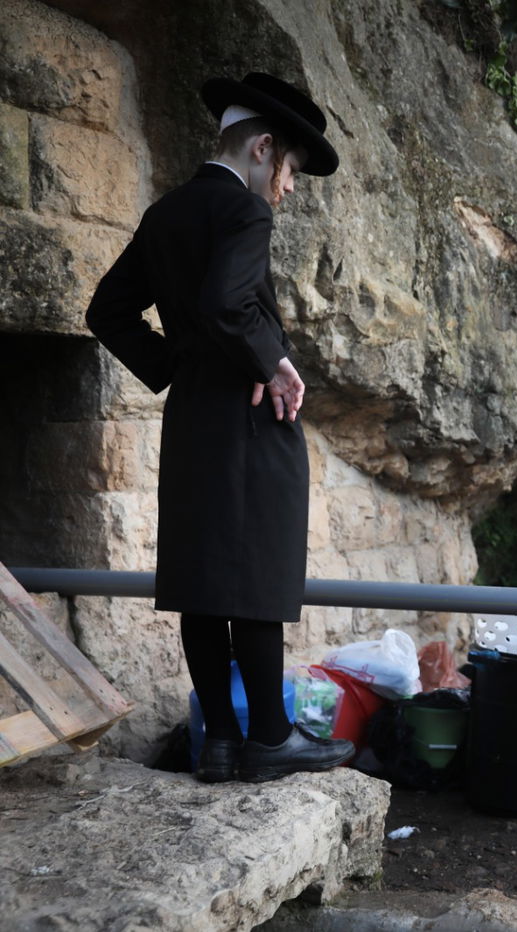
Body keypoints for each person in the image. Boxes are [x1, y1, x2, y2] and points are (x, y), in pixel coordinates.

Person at [85, 72, 354, 783]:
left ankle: (223, 745)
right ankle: (270, 739)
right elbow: (227, 303)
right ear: (263, 148)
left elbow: (107, 313)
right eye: (290, 170)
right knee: (257, 576)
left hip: (194, 420)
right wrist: (274, 363)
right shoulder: (245, 211)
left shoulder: (166, 212)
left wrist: (175, 363)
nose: (287, 188)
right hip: (249, 419)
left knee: (204, 579)